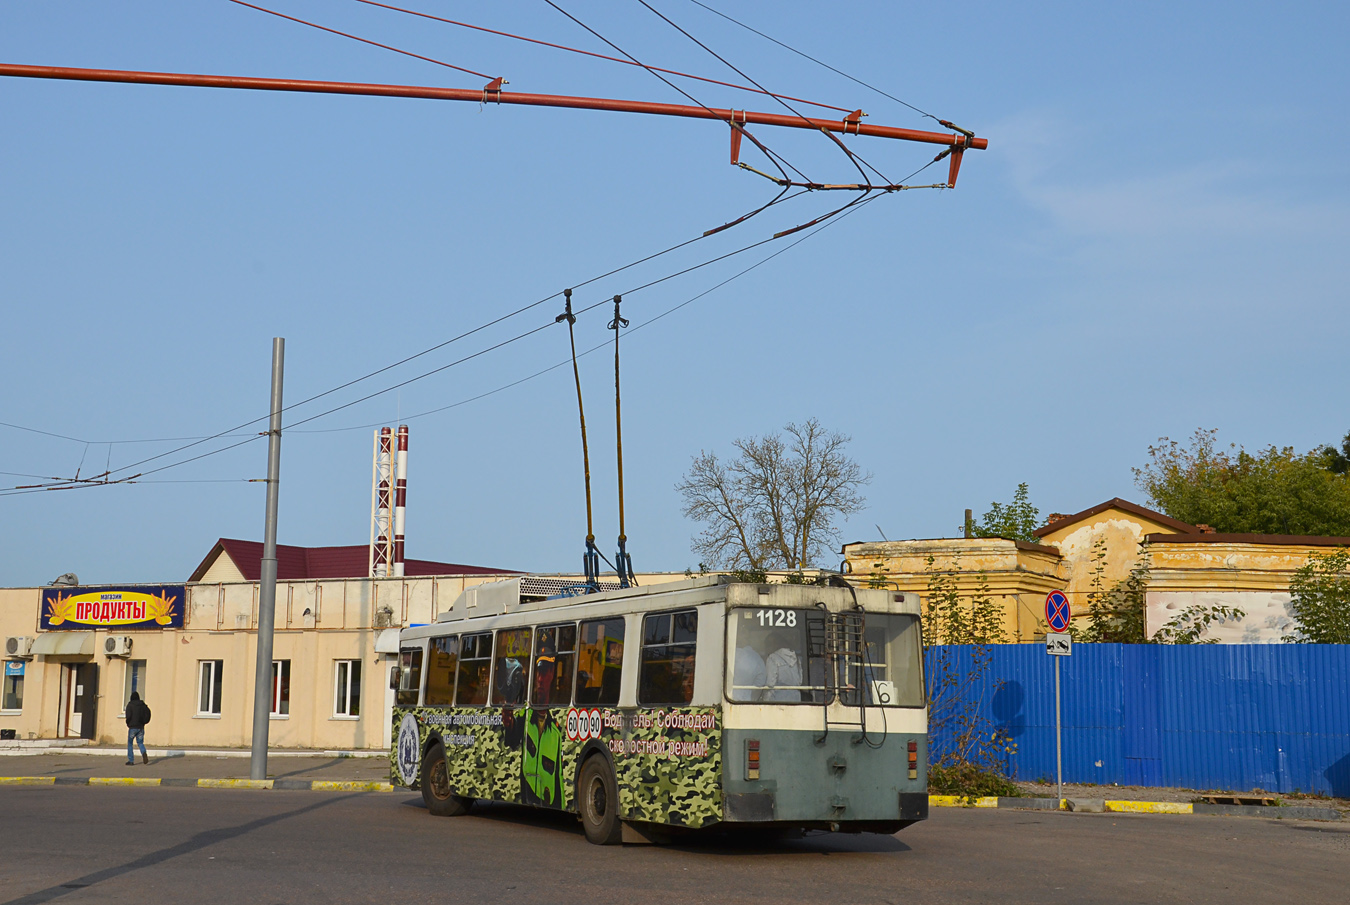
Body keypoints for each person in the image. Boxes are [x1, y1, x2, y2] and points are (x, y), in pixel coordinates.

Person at [764, 631, 803, 703]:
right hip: (796, 698)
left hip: (778, 699)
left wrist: (765, 701)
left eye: (768, 645)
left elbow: (770, 683)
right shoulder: (796, 658)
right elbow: (800, 681)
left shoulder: (772, 658)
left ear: (774, 645)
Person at [125, 691, 150, 765]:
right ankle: (143, 752)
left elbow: (128, 716)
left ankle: (131, 760)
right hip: (141, 727)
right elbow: (147, 713)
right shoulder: (143, 705)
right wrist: (144, 722)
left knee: (130, 743)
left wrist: (128, 723)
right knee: (140, 742)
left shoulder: (130, 705)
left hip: (132, 727)